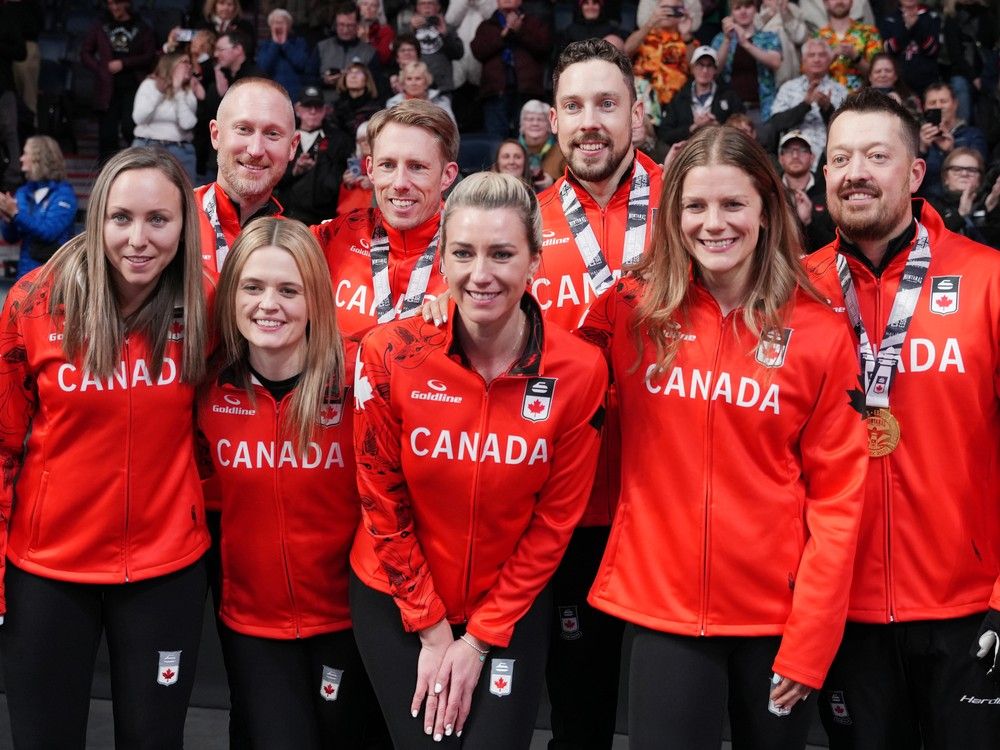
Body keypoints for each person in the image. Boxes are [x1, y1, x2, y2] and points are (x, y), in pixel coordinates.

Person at [578, 123, 867, 749]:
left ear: (766, 209)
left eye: (733, 204)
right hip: (662, 609)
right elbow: (545, 371)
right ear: (673, 214)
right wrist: (445, 314)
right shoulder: (631, 307)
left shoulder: (818, 331)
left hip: (777, 621)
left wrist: (811, 640)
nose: (715, 223)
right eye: (696, 206)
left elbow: (840, 501)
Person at [350, 171, 608, 747]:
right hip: (398, 603)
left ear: (535, 261)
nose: (481, 274)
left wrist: (480, 639)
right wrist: (434, 632)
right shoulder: (390, 354)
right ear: (442, 259)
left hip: (508, 607)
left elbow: (554, 522)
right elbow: (379, 498)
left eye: (502, 253)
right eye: (463, 253)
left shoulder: (580, 368)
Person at [808, 87, 1000, 750]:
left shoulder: (987, 281)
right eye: (841, 158)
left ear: (916, 173)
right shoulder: (794, 293)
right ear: (825, 174)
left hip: (967, 608)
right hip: (840, 612)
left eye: (876, 155)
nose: (856, 170)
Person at [0, 146, 210, 748]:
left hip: (164, 570)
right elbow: (2, 446)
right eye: (121, 218)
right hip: (47, 570)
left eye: (159, 220)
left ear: (183, 225)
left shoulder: (208, 304)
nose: (138, 239)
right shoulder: (34, 303)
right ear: (98, 220)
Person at [197, 216, 386, 748]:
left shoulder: (360, 379)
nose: (268, 305)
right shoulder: (207, 389)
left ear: (315, 299)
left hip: (349, 624)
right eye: (252, 287)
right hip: (251, 625)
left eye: (288, 289)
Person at [540, 38, 665, 750]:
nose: (591, 121)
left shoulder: (689, 209)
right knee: (579, 719)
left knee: (673, 721)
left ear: (636, 115)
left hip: (669, 507)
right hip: (572, 511)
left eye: (607, 104)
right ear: (554, 121)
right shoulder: (518, 223)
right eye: (575, 106)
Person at [312, 99, 458, 336]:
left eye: (417, 167)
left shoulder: (477, 257)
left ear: (447, 175)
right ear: (370, 169)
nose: (400, 183)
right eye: (388, 165)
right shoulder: (338, 234)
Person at [196, 77, 299, 276]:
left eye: (272, 134)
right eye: (243, 129)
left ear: (292, 146)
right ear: (216, 135)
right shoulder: (175, 219)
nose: (256, 150)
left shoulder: (297, 247)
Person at [81, 0, 156, 165]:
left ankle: (135, 167)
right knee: (107, 135)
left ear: (127, 3)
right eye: (110, 4)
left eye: (118, 4)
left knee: (130, 129)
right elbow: (85, 53)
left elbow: (149, 55)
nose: (114, 8)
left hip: (134, 86)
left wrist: (124, 63)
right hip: (107, 87)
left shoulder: (141, 26)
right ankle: (106, 172)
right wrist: (101, 68)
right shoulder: (100, 25)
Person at [471, 0, 551, 139]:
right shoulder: (487, 25)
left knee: (526, 138)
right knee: (495, 141)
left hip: (527, 91)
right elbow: (478, 51)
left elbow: (545, 48)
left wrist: (520, 31)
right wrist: (503, 34)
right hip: (495, 93)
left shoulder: (533, 22)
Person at [0, 136, 77, 279]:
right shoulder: (23, 192)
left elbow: (49, 232)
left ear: (39, 158)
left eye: (25, 153)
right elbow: (11, 238)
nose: (21, 158)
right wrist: (7, 220)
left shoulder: (64, 194)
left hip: (55, 275)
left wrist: (15, 213)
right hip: (25, 274)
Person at [276, 86, 352, 225]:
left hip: (324, 217)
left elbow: (342, 176)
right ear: (297, 109)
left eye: (317, 107)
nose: (312, 111)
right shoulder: (283, 137)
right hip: (287, 215)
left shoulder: (339, 140)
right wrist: (294, 170)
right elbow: (272, 177)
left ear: (325, 110)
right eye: (307, 106)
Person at [767, 38, 848, 168]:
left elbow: (846, 130)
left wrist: (827, 109)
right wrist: (805, 105)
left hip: (829, 160)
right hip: (793, 160)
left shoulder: (840, 90)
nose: (817, 59)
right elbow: (776, 123)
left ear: (829, 60)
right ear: (803, 61)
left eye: (822, 55)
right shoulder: (788, 88)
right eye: (811, 55)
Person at [132, 52, 204, 181]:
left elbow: (187, 124)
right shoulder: (149, 85)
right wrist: (160, 92)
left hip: (180, 148)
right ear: (171, 65)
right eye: (184, 62)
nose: (189, 66)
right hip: (147, 145)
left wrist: (178, 91)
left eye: (189, 63)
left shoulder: (187, 91)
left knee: (185, 196)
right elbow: (139, 118)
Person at [658, 45, 745, 148]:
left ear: (715, 70)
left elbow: (742, 129)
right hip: (687, 152)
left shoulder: (729, 96)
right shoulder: (679, 98)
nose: (704, 70)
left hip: (721, 150)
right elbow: (664, 134)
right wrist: (693, 127)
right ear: (692, 68)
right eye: (700, 65)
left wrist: (717, 125)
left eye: (709, 66)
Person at [711, 0, 782, 122]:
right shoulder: (720, 39)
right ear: (731, 13)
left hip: (761, 108)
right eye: (738, 8)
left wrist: (745, 43)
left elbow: (775, 62)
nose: (743, 11)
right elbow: (714, 70)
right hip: (729, 110)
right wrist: (727, 40)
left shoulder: (768, 37)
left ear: (756, 9)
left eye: (748, 6)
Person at [918, 82, 988, 201]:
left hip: (963, 201)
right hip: (927, 203)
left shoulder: (973, 135)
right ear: (924, 107)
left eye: (943, 101)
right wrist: (922, 149)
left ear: (955, 104)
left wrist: (951, 151)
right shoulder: (917, 138)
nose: (938, 106)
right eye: (932, 103)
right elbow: (906, 178)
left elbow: (979, 171)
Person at [625, 0, 694, 109]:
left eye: (674, 9)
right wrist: (650, 22)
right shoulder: (644, 34)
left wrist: (686, 36)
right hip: (643, 99)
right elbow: (626, 52)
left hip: (675, 102)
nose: (667, 13)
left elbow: (696, 68)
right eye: (664, 8)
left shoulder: (688, 40)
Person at [777, 130, 835, 251]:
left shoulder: (829, 191)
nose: (795, 156)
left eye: (802, 150)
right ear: (780, 158)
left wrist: (809, 222)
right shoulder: (771, 193)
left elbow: (837, 247)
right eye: (789, 151)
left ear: (812, 157)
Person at [318, 4, 380, 105]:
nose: (345, 30)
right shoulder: (322, 47)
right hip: (324, 104)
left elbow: (376, 84)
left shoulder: (369, 52)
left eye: (350, 25)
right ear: (335, 24)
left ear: (358, 25)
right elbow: (307, 78)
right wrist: (324, 80)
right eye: (341, 25)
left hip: (359, 106)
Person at [815, 0, 882, 92]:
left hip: (862, 100)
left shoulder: (869, 32)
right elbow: (812, 76)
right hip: (827, 100)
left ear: (852, 2)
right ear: (825, 3)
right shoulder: (817, 37)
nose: (839, 1)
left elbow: (880, 74)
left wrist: (856, 57)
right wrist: (832, 55)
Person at [879, 0, 941, 98]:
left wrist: (916, 26)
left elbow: (932, 49)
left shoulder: (932, 17)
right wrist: (907, 28)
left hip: (927, 81)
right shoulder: (889, 18)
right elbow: (889, 49)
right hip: (898, 82)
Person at [928, 147, 990, 240]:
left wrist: (990, 213)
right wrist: (960, 214)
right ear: (946, 178)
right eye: (957, 169)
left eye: (971, 170)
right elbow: (931, 240)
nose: (964, 173)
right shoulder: (931, 206)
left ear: (980, 179)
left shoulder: (989, 204)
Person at [256, 7, 312, 103]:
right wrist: (275, 44)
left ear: (289, 26)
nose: (278, 26)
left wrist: (285, 44)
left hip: (296, 94)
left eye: (282, 22)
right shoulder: (265, 45)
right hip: (272, 94)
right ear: (270, 26)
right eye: (275, 23)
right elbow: (263, 68)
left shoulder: (299, 42)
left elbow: (302, 64)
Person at [385, 60, 456, 121]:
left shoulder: (441, 101)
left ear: (426, 82)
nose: (413, 83)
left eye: (418, 78)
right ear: (403, 83)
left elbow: (452, 130)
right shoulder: (393, 104)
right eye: (409, 79)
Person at [518, 100, 563, 192]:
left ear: (549, 125)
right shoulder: (511, 150)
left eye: (540, 119)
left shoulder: (562, 152)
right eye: (530, 119)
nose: (535, 123)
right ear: (522, 124)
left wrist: (553, 183)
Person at [334, 59, 383, 135]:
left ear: (366, 79)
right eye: (349, 72)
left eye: (358, 72)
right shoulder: (335, 107)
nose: (353, 76)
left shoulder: (376, 109)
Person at [336, 121, 375, 216]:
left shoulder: (385, 163)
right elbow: (343, 203)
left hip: (372, 215)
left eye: (369, 138)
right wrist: (347, 185)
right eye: (362, 140)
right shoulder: (354, 164)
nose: (365, 143)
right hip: (349, 216)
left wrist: (374, 185)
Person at [865, 51, 920, 115]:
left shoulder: (909, 98)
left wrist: (899, 107)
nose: (883, 75)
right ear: (870, 77)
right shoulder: (857, 98)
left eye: (888, 71)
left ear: (895, 76)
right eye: (878, 71)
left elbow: (917, 123)